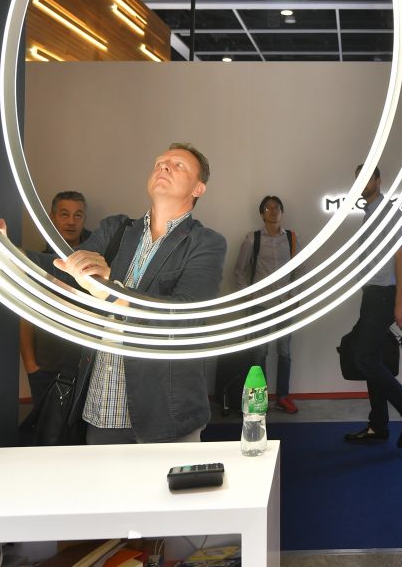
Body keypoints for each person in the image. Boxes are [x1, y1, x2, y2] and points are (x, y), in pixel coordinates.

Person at [32, 143, 227, 445]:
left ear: (198, 188)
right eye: (159, 162)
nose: (163, 166)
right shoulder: (116, 230)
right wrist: (4, 255)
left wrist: (110, 291)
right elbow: (65, 269)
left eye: (177, 165)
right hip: (103, 408)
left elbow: (185, 315)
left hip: (166, 414)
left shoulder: (206, 243)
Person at [343, 164, 402, 449]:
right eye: (358, 178)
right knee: (372, 357)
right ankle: (378, 425)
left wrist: (400, 301)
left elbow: (401, 257)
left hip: (383, 295)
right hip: (372, 294)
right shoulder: (370, 212)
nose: (362, 183)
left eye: (368, 178)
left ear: (379, 180)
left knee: (364, 358)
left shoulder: (387, 213)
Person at [20, 190, 91, 410]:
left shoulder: (96, 263)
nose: (71, 222)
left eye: (78, 215)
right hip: (47, 368)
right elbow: (26, 317)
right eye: (64, 214)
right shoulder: (38, 263)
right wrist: (31, 366)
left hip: (87, 368)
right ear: (52, 217)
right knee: (46, 429)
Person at [233, 195, 302, 414]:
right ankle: (258, 400)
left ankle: (282, 397)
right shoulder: (253, 239)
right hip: (261, 304)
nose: (273, 211)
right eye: (268, 208)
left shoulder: (291, 238)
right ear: (262, 213)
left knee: (285, 352)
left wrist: (293, 295)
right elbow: (239, 271)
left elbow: (299, 270)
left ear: (282, 212)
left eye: (276, 207)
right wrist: (250, 296)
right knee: (259, 352)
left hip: (284, 304)